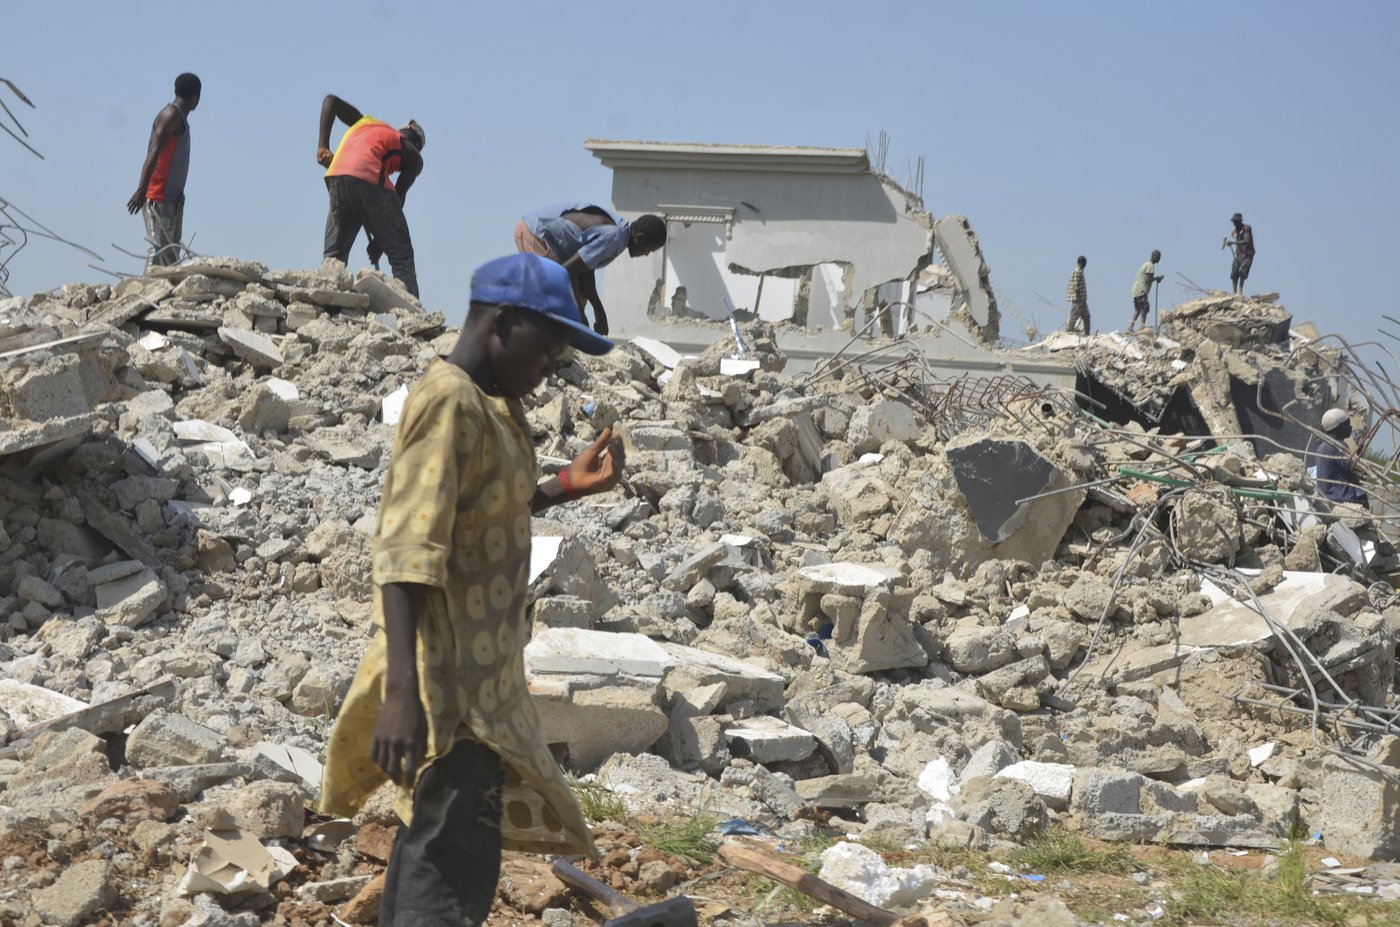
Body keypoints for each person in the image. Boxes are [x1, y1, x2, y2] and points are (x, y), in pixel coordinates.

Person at [319, 253, 624, 927]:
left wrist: (564, 486)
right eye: (546, 347)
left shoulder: (490, 404)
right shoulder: (450, 400)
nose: (551, 366)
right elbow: (405, 550)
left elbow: (487, 511)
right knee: (450, 856)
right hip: (444, 692)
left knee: (439, 842)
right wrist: (402, 693)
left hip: (482, 692)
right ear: (501, 322)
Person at [316, 94, 424, 297]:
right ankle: (412, 315)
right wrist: (381, 242)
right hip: (368, 178)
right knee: (401, 252)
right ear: (415, 142)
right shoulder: (412, 153)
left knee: (333, 258)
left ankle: (325, 301)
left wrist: (323, 146)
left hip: (337, 176)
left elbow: (330, 100)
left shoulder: (365, 123)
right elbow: (396, 200)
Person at [516, 202, 667, 334]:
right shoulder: (615, 238)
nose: (647, 254)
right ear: (640, 239)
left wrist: (598, 310)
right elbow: (568, 271)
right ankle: (522, 333)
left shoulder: (620, 230)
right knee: (554, 290)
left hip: (551, 241)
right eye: (649, 250)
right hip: (534, 232)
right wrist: (580, 316)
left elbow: (585, 270)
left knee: (579, 297)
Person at [126, 73, 201, 269]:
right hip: (159, 197)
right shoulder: (171, 116)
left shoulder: (180, 119)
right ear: (196, 97)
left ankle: (166, 296)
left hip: (173, 199)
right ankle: (149, 290)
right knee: (158, 250)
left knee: (170, 252)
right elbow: (153, 152)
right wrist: (141, 190)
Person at [1315, 407, 1369, 507]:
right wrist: (1361, 447)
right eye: (1347, 424)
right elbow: (1359, 470)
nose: (1351, 427)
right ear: (1339, 427)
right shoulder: (1337, 447)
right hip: (1342, 501)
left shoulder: (1322, 446)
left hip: (1328, 499)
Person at [1128, 250, 1163, 333]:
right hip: (1141, 290)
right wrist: (1157, 278)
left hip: (1136, 290)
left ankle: (1130, 328)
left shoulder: (1146, 264)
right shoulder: (1150, 266)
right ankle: (1142, 327)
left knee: (1138, 310)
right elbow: (1148, 279)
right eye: (1158, 257)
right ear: (1154, 256)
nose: (1159, 259)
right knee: (1145, 308)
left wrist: (1156, 279)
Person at [1223, 212, 1255, 295]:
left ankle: (1240, 291)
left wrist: (1233, 242)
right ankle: (1234, 292)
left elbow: (1246, 241)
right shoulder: (1234, 232)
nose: (1234, 223)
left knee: (1242, 270)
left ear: (1239, 221)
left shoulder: (1246, 228)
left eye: (1235, 221)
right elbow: (1235, 238)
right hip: (1239, 254)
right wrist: (1228, 243)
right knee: (1234, 271)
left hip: (1248, 254)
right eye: (1233, 221)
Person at [1065, 255, 1090, 333]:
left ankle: (1087, 333)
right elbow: (1076, 288)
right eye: (1085, 263)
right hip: (1078, 299)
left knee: (1086, 316)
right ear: (1082, 263)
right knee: (1074, 315)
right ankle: (1069, 331)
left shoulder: (1080, 272)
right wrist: (1080, 301)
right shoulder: (1077, 272)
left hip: (1081, 299)